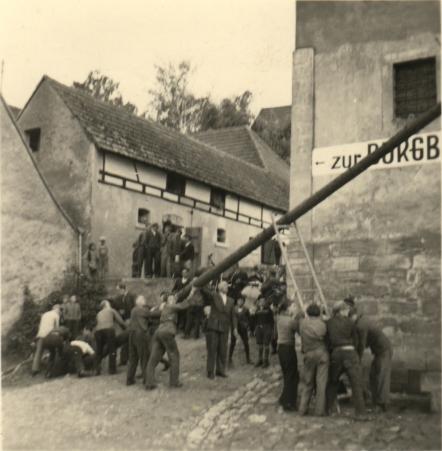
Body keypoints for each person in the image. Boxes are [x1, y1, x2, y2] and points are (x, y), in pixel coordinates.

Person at [326, 300, 370, 420]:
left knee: (333, 382)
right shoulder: (351, 323)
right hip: (350, 352)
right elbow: (356, 340)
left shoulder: (329, 323)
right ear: (341, 310)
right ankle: (361, 413)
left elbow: (327, 341)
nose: (347, 312)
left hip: (336, 352)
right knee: (356, 383)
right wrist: (354, 353)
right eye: (345, 310)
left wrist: (332, 352)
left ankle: (330, 409)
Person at [145, 291, 196, 389]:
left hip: (159, 332)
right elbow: (184, 305)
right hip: (167, 332)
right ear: (168, 301)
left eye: (174, 299)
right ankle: (174, 382)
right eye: (171, 299)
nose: (173, 300)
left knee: (153, 358)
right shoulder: (170, 306)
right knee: (174, 356)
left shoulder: (165, 307)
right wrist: (192, 292)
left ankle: (149, 383)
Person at [348, 303, 393, 412]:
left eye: (350, 318)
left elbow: (362, 344)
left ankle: (382, 404)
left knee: (382, 376)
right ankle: (377, 400)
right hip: (379, 351)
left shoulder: (361, 325)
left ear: (354, 316)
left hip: (384, 351)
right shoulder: (362, 320)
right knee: (373, 375)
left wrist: (357, 358)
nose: (350, 321)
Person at [200, 280, 237, 379]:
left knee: (223, 350)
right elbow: (205, 291)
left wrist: (235, 328)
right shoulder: (214, 295)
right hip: (214, 326)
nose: (227, 287)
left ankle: (220, 371)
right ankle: (210, 371)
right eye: (225, 286)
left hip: (225, 327)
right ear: (221, 288)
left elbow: (233, 316)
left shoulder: (231, 300)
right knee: (212, 349)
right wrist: (202, 281)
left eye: (227, 286)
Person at [298, 303, 329, 416]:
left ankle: (302, 409)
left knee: (308, 382)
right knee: (321, 383)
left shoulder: (302, 324)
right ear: (318, 313)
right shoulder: (322, 324)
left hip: (309, 354)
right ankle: (319, 410)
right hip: (321, 353)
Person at [126, 295, 161, 386]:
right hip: (140, 334)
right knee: (144, 357)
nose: (145, 300)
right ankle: (147, 381)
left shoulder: (134, 310)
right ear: (138, 301)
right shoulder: (140, 309)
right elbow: (153, 314)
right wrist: (161, 309)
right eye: (143, 299)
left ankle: (129, 379)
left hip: (131, 334)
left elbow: (146, 318)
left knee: (133, 358)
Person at [275, 300, 299, 412]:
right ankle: (288, 403)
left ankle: (284, 398)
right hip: (288, 348)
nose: (295, 308)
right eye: (293, 306)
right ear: (287, 308)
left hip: (281, 348)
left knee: (287, 374)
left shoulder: (279, 318)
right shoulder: (290, 321)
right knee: (292, 375)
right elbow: (299, 330)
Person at [95, 300, 127, 375]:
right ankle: (112, 370)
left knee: (99, 350)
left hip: (98, 331)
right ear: (106, 305)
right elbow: (120, 321)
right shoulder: (111, 310)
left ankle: (97, 369)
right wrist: (126, 328)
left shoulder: (98, 313)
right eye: (109, 304)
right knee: (112, 349)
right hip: (108, 330)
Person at [31, 303, 62, 375]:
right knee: (52, 351)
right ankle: (50, 368)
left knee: (38, 352)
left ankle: (34, 370)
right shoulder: (56, 315)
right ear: (56, 309)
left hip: (40, 334)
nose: (60, 311)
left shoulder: (45, 314)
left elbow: (41, 325)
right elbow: (57, 328)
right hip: (48, 335)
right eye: (59, 310)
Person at [112, 282, 136, 366]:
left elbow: (132, 308)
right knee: (126, 340)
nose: (118, 292)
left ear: (123, 289)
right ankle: (124, 359)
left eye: (119, 290)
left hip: (130, 320)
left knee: (129, 339)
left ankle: (127, 359)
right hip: (125, 320)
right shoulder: (121, 297)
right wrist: (120, 312)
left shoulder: (131, 296)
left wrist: (129, 318)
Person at [228, 295, 252, 366]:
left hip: (243, 328)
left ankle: (248, 358)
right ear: (237, 301)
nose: (240, 302)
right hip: (235, 328)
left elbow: (249, 319)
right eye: (239, 300)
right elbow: (232, 318)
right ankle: (229, 358)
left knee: (246, 343)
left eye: (241, 300)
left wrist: (247, 325)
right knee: (233, 343)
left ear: (243, 302)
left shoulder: (246, 309)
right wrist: (233, 328)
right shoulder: (233, 309)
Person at [253, 296, 274, 368]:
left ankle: (266, 361)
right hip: (258, 328)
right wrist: (254, 329)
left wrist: (271, 330)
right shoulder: (256, 310)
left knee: (266, 344)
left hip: (267, 328)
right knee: (260, 344)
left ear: (265, 302)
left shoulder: (269, 310)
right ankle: (260, 360)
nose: (262, 302)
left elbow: (272, 321)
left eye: (263, 301)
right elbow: (254, 320)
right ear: (258, 302)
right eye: (260, 301)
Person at [172, 268, 192, 333]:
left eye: (185, 272)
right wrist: (175, 293)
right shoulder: (178, 280)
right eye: (182, 272)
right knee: (178, 314)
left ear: (188, 273)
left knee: (186, 314)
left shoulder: (190, 281)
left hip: (186, 300)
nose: (184, 274)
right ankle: (177, 327)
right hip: (179, 300)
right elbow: (173, 289)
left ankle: (184, 328)